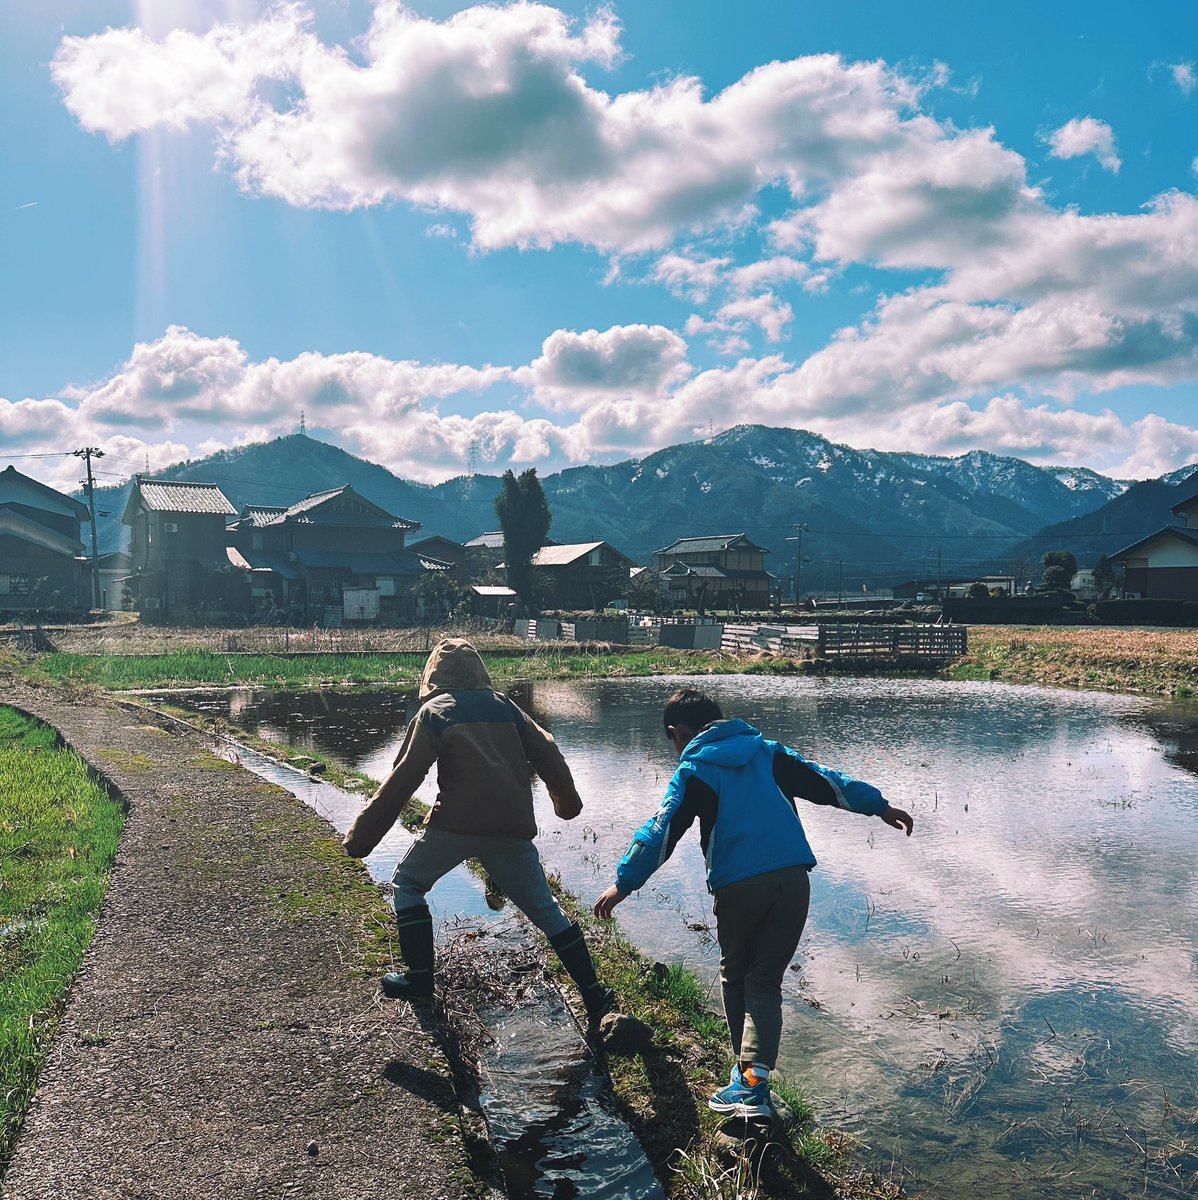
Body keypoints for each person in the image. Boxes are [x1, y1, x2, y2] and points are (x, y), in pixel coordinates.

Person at [594, 688, 913, 1118]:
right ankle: (751, 1081)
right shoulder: (767, 752)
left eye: (672, 740)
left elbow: (662, 831)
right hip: (793, 881)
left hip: (739, 886)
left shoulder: (695, 768)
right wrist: (880, 806)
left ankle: (746, 1085)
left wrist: (623, 884)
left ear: (677, 732)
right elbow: (826, 782)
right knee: (765, 981)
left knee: (737, 976)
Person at [344, 638, 614, 1027]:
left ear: (433, 677)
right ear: (480, 673)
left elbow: (402, 779)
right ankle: (592, 992)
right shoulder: (507, 708)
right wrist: (566, 804)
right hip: (511, 827)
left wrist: (362, 838)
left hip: (456, 823)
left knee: (408, 883)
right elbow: (549, 754)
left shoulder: (433, 712)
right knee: (545, 910)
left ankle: (419, 980)